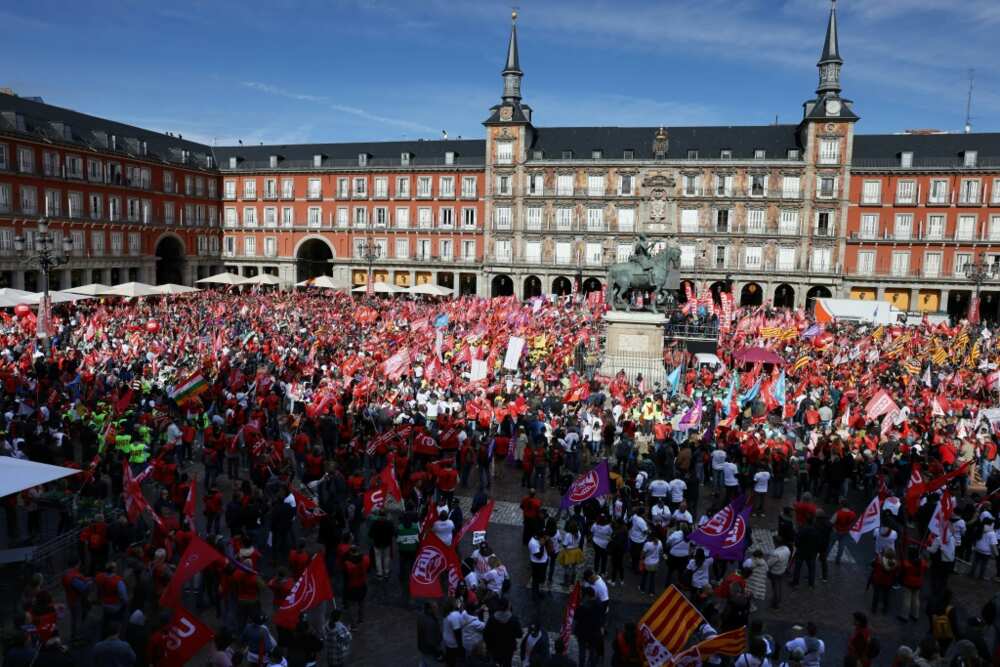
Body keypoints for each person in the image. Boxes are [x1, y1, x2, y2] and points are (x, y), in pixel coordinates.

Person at [483, 597, 522, 667]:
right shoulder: (514, 619)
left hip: (494, 647)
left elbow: (486, 634)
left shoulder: (492, 618)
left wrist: (489, 645)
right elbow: (519, 634)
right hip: (508, 648)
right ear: (508, 606)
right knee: (507, 664)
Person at [573, 587, 606, 667]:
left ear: (587, 595)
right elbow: (602, 616)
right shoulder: (599, 604)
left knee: (582, 651)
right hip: (594, 632)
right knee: (593, 650)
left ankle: (581, 665)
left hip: (582, 632)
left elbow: (576, 617)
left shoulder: (583, 606)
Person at [766, 536, 790, 610]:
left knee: (775, 587)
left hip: (775, 572)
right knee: (779, 585)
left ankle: (776, 602)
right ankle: (778, 599)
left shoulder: (776, 553)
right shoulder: (787, 549)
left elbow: (769, 564)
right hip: (782, 570)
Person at [417, 601, 443, 667]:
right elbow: (431, 640)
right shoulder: (430, 622)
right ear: (429, 609)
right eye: (434, 608)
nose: (437, 609)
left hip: (422, 647)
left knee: (423, 663)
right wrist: (438, 651)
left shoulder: (421, 615)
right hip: (429, 650)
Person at [528, 529, 549, 599]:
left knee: (539, 579)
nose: (545, 537)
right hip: (537, 564)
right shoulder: (533, 543)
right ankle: (535, 595)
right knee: (535, 580)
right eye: (544, 536)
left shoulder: (541, 539)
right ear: (540, 537)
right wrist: (542, 545)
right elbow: (539, 556)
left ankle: (537, 592)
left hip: (543, 563)